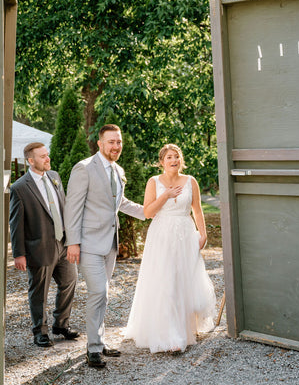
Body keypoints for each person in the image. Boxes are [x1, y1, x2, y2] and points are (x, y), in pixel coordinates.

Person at [64, 124, 145, 368]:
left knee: (104, 294)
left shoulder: (118, 170)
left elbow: (120, 203)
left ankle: (98, 341)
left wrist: (149, 211)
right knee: (98, 291)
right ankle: (93, 350)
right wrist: (73, 243)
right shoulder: (84, 168)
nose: (116, 146)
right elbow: (73, 207)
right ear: (100, 143)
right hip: (88, 243)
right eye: (111, 142)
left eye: (118, 142)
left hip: (110, 243)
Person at [125, 144, 216, 353]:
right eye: (169, 157)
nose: (173, 160)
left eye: (176, 156)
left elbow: (198, 210)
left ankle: (185, 328)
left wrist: (203, 234)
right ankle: (171, 334)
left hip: (185, 234)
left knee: (183, 279)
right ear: (161, 162)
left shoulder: (190, 181)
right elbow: (148, 212)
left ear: (180, 160)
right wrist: (165, 195)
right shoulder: (153, 182)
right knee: (166, 281)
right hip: (162, 235)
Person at [9, 142, 79, 348]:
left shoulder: (55, 177)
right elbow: (16, 223)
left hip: (62, 244)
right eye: (42, 157)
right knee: (39, 292)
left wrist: (72, 239)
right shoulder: (20, 187)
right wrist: (18, 253)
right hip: (38, 248)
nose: (48, 159)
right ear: (31, 161)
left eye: (47, 155)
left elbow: (63, 208)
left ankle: (61, 324)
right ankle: (40, 331)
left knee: (69, 282)